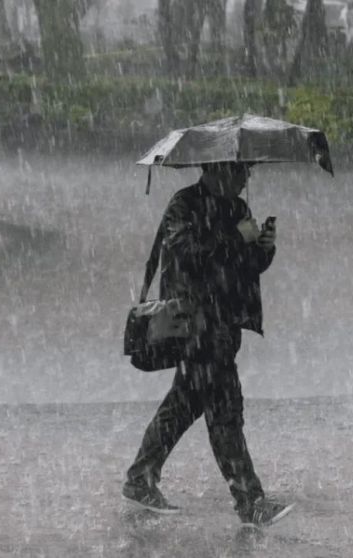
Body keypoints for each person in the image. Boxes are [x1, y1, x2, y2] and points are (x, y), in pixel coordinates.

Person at [123, 161, 294, 527]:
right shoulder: (183, 205)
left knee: (184, 404)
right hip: (195, 326)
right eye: (239, 171)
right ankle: (250, 501)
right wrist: (235, 238)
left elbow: (246, 265)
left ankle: (141, 478)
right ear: (216, 169)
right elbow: (188, 255)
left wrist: (263, 248)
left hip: (224, 324)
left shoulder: (238, 208)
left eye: (247, 171)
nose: (246, 178)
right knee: (225, 411)